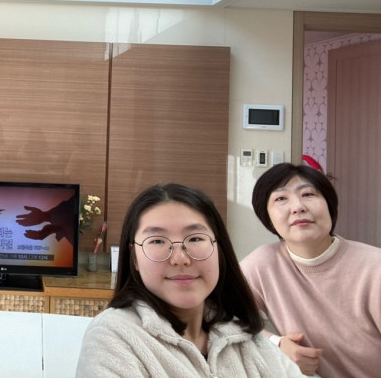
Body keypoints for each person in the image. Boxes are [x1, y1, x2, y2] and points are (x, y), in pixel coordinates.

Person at [75, 183, 303, 377]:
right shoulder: (114, 335)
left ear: (219, 249)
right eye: (157, 241)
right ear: (134, 257)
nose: (180, 259)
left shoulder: (243, 335)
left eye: (195, 238)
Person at [241, 162, 381, 378]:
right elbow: (218, 315)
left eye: (307, 194)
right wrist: (275, 344)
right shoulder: (263, 264)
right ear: (267, 218)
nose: (297, 207)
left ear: (330, 206)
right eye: (281, 199)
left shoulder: (374, 267)